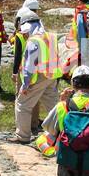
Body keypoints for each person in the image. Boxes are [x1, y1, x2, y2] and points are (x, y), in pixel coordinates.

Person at [11, 9, 62, 142]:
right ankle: (59, 133)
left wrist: (26, 84)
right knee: (53, 106)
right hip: (52, 76)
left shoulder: (33, 41)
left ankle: (23, 136)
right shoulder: (50, 36)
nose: (25, 34)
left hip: (38, 77)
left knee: (22, 105)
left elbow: (29, 65)